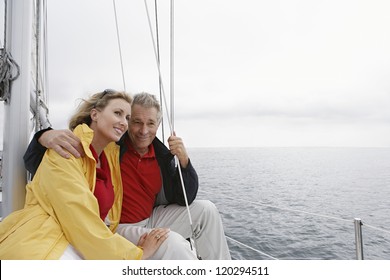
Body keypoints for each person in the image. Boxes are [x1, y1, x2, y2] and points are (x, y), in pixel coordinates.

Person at [24, 92, 231, 260]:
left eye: (150, 123)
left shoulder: (161, 155)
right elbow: (43, 162)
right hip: (120, 226)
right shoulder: (113, 147)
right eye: (136, 122)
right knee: (172, 242)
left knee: (207, 210)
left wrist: (184, 162)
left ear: (157, 126)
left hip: (150, 218)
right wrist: (43, 136)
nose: (143, 130)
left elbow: (185, 196)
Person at [0, 90, 169, 259]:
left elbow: (144, 136)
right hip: (48, 242)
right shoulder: (67, 151)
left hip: (83, 241)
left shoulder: (109, 154)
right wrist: (136, 255)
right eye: (118, 113)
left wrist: (178, 159)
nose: (124, 122)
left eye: (127, 118)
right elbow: (80, 220)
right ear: (94, 114)